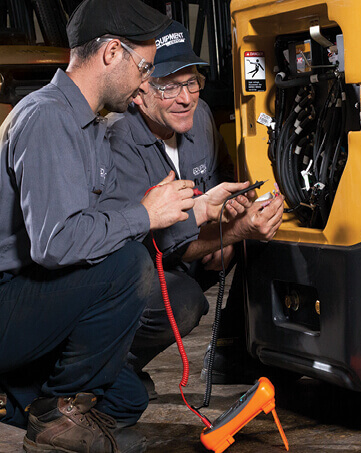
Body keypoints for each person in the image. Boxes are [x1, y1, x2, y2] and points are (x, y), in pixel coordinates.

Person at [0, 1, 221, 452]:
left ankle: (20, 391)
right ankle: (55, 413)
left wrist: (184, 213)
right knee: (127, 266)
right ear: (111, 53)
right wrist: (143, 215)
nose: (146, 82)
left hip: (39, 299)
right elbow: (55, 243)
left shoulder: (92, 126)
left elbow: (95, 226)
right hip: (10, 299)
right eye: (144, 68)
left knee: (128, 399)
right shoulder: (46, 117)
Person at [104, 20, 284, 393]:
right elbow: (158, 245)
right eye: (169, 86)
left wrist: (232, 230)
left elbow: (218, 184)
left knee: (262, 239)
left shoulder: (197, 118)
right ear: (140, 92)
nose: (185, 97)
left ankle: (236, 349)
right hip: (134, 268)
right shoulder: (120, 139)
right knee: (184, 304)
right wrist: (232, 232)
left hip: (187, 254)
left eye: (191, 82)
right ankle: (110, 371)